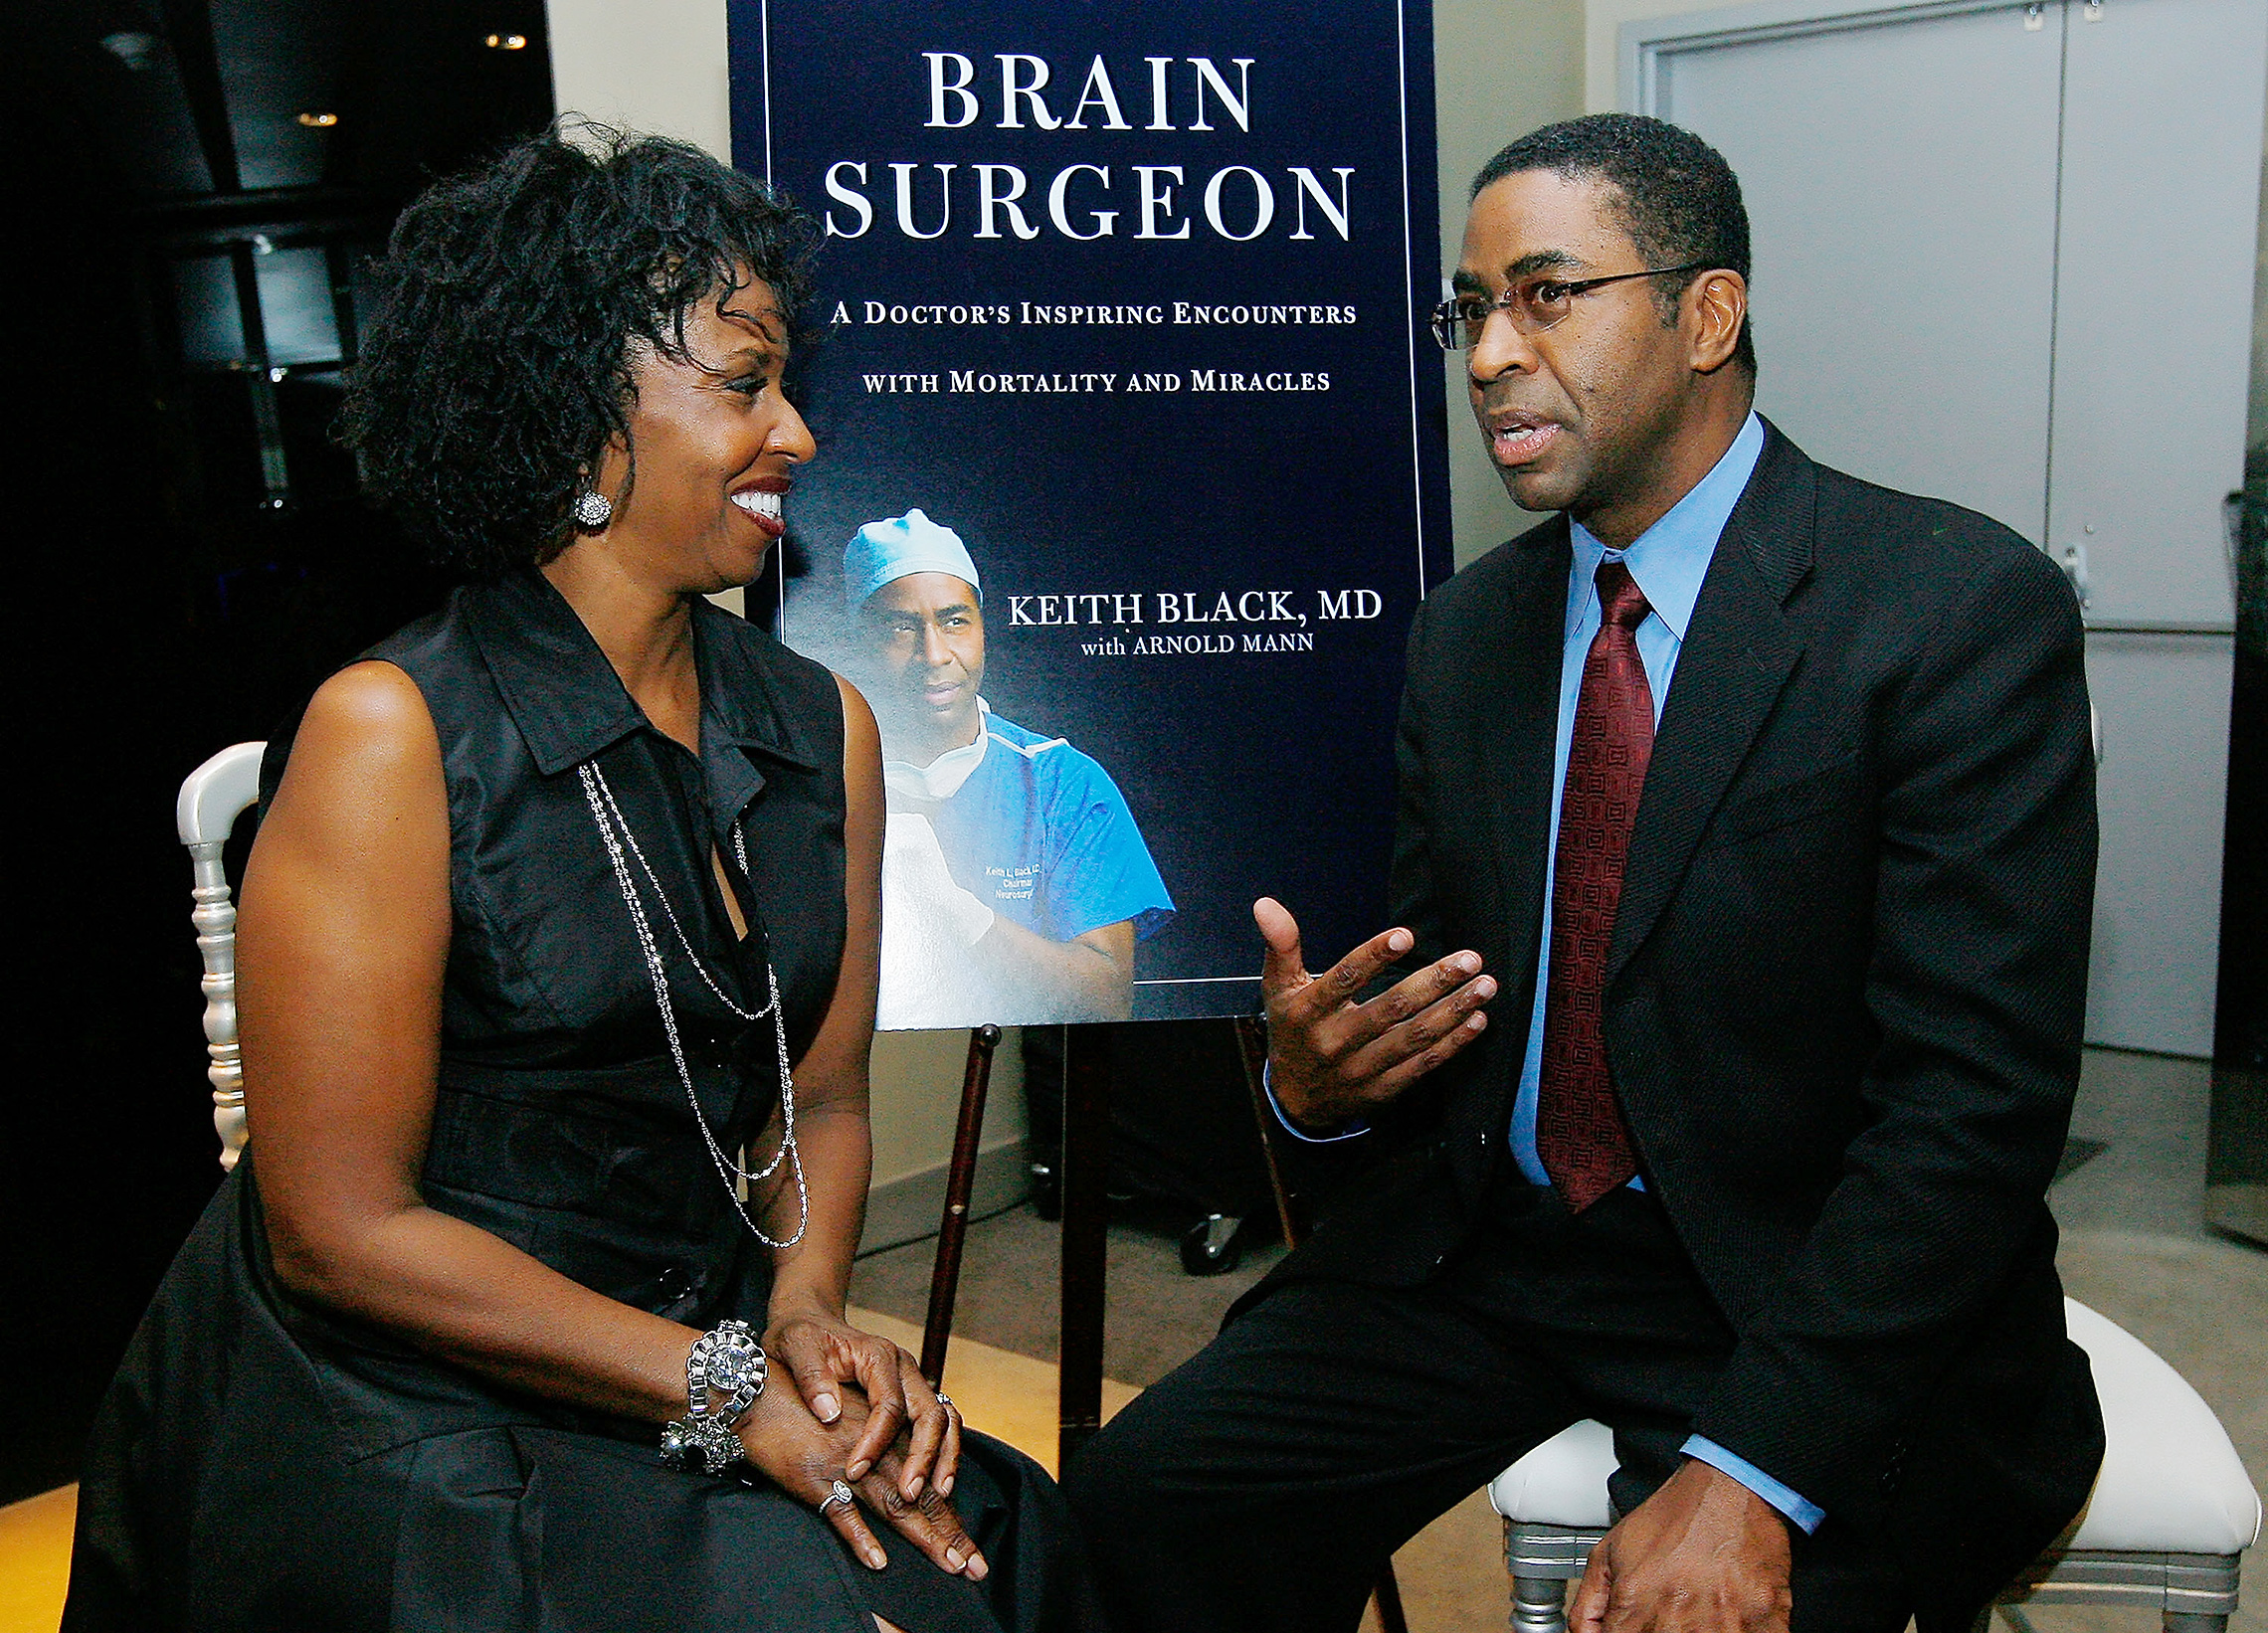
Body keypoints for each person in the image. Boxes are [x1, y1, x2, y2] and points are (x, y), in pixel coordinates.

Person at [1064, 113, 2103, 1633]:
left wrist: (1753, 1466)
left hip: (1805, 1283)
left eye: (1545, 295)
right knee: (1134, 1509)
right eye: (1471, 309)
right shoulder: (1469, 632)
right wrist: (1318, 1083)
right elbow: (1450, 1013)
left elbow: (1972, 1114)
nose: (1488, 354)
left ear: (1707, 315)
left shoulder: (1947, 612)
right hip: (1497, 1248)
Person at [64, 128, 1097, 1633]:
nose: (797, 432)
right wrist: (725, 1386)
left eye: (786, 380)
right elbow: (337, 1233)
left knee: (1010, 1552)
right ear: (569, 416)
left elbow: (825, 1104)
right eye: (743, 384)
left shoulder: (826, 727)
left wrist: (806, 1319)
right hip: (408, 1398)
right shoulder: (392, 733)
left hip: (703, 1345)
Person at [843, 510, 1173, 1028]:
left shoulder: (1062, 785)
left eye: (955, 621)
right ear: (858, 640)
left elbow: (1106, 1001)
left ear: (982, 628)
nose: (934, 654)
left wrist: (956, 912)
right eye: (901, 627)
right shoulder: (821, 784)